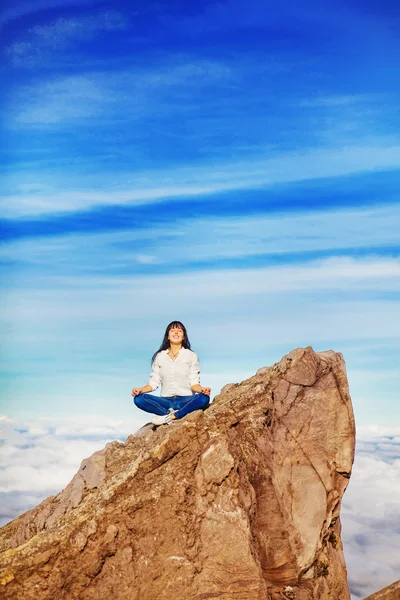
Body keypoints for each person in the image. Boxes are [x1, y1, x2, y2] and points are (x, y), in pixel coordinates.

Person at [131, 321, 211, 426]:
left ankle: (171, 417)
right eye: (172, 330)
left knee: (204, 398)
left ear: (183, 337)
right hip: (165, 402)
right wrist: (140, 389)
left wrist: (202, 390)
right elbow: (153, 382)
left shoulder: (191, 356)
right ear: (168, 336)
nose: (176, 333)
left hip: (186, 399)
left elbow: (194, 382)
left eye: (179, 331)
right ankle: (172, 414)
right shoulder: (160, 356)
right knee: (139, 399)